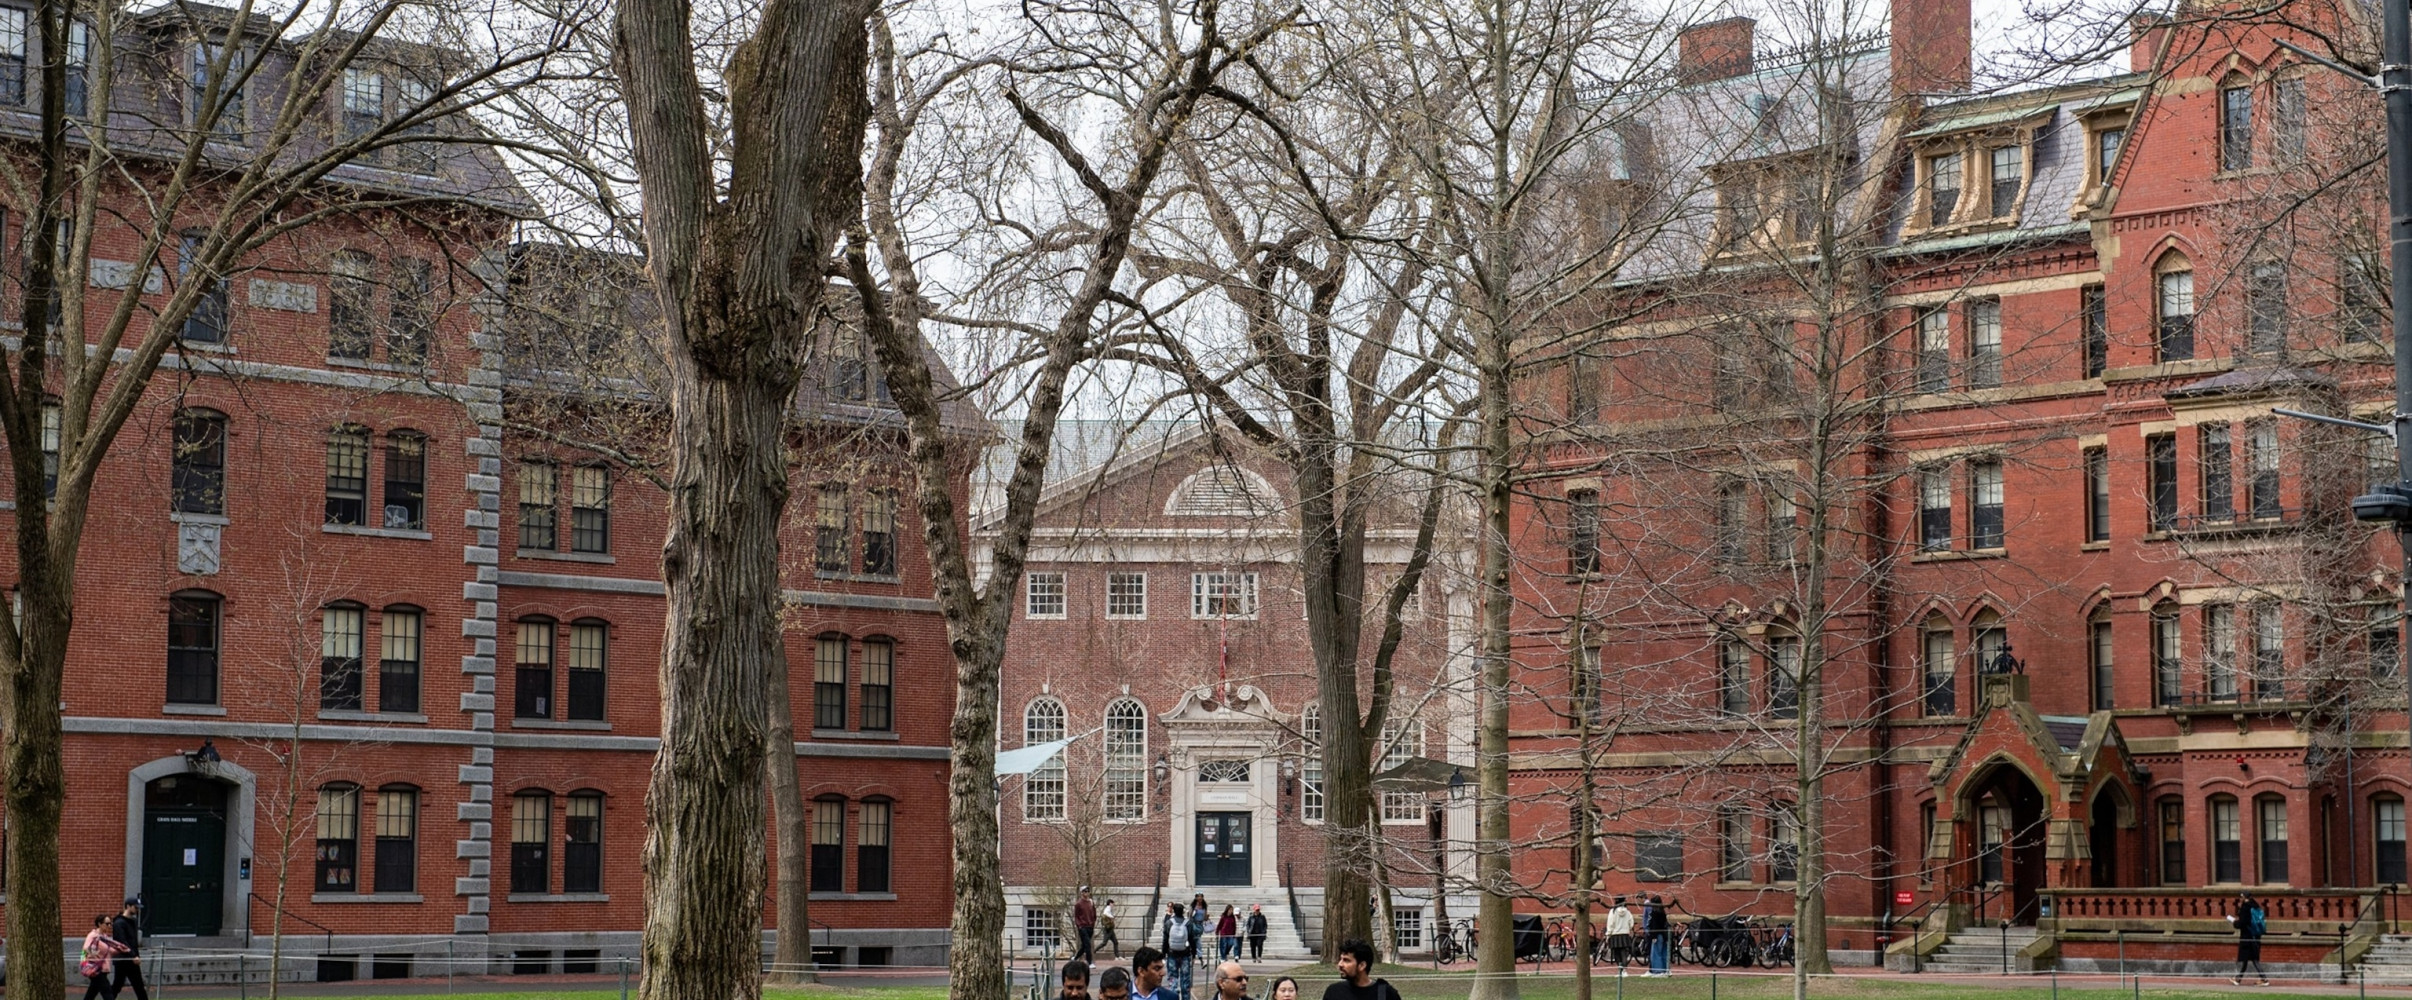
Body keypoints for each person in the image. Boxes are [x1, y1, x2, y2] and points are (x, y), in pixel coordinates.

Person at [1319, 939, 1403, 1000]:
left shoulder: (1386, 993)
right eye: (1340, 959)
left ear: (1362, 965)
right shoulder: (1334, 992)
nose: (1340, 964)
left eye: (1346, 960)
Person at [110, 899, 149, 1000]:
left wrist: (136, 955)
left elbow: (133, 942)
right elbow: (122, 942)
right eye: (135, 907)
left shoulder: (133, 921)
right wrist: (133, 955)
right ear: (128, 906)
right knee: (118, 985)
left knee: (139, 986)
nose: (137, 910)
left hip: (131, 958)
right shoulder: (119, 923)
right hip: (123, 959)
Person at [81, 914, 125, 1000]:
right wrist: (95, 955)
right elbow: (85, 949)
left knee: (91, 993)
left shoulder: (104, 937)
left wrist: (120, 949)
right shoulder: (93, 935)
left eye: (110, 924)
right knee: (107, 993)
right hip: (96, 969)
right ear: (99, 924)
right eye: (107, 924)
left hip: (102, 969)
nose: (109, 926)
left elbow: (109, 951)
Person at [2230, 891, 2270, 986]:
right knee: (2251, 957)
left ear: (2244, 897)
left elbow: (2243, 923)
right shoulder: (2255, 906)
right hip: (2255, 935)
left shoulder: (2246, 907)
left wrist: (2234, 922)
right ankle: (2238, 978)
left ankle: (2263, 979)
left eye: (2241, 897)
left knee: (2249, 957)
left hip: (2247, 936)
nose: (2240, 899)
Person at [1160, 905, 1195, 999]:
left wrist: (1163, 953)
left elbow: (1165, 940)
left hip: (1172, 954)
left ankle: (1173, 997)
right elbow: (1192, 939)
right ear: (1183, 911)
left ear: (1174, 911)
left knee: (1172, 979)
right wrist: (1194, 953)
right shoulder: (1188, 923)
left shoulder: (1168, 923)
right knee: (1185, 981)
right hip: (1185, 954)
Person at [1602, 897, 1635, 972]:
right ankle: (1624, 970)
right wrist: (1628, 928)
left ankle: (1620, 969)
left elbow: (1610, 924)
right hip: (1625, 934)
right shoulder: (1628, 912)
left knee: (1616, 953)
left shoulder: (1613, 912)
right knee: (1624, 953)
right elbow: (1631, 923)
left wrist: (1608, 934)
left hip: (1615, 934)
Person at [1643, 895, 1671, 976]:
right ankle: (1664, 969)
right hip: (1663, 935)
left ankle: (1658, 971)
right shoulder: (1662, 912)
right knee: (1663, 952)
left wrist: (1653, 936)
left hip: (1657, 935)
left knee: (1656, 953)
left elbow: (1654, 925)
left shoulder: (1654, 913)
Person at [1075, 888, 1100, 964]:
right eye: (1085, 891)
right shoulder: (1078, 904)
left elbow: (1094, 913)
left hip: (1090, 926)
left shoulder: (1091, 902)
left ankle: (1075, 958)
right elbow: (1076, 916)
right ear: (1081, 893)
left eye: (1088, 891)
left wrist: (1093, 923)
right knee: (1088, 944)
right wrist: (1079, 926)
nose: (1087, 893)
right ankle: (1089, 962)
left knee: (1084, 946)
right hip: (1082, 927)